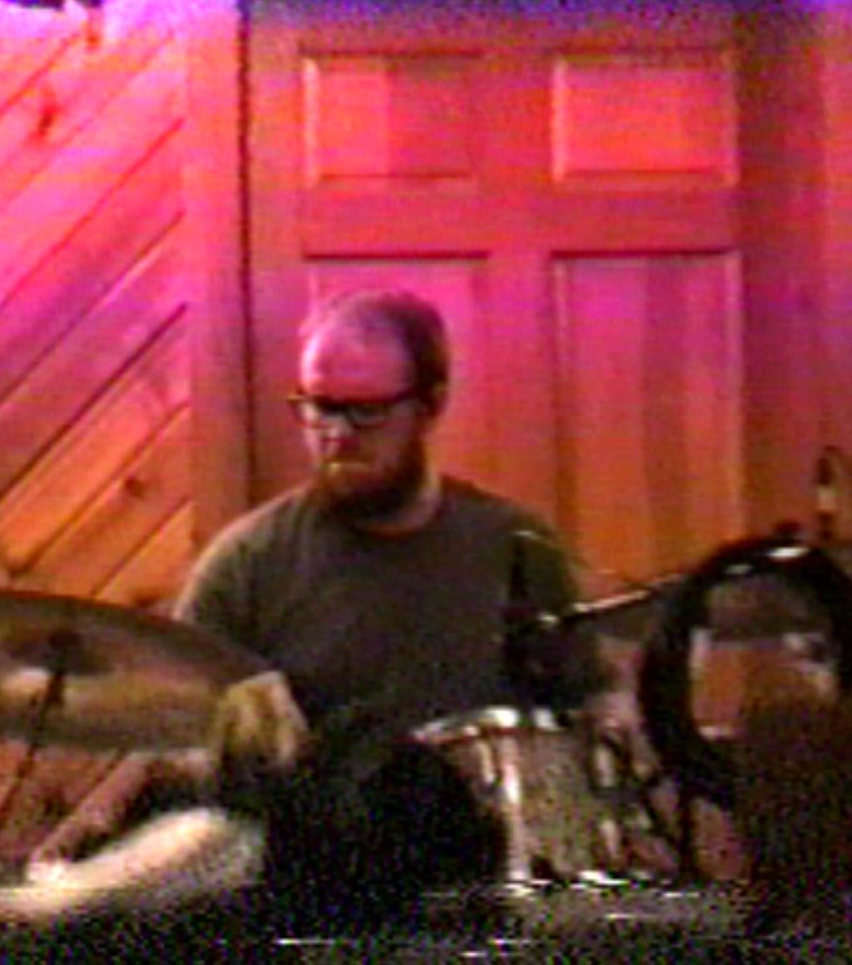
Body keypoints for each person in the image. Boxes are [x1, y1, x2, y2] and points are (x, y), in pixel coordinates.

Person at [168, 289, 605, 930]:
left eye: (367, 412)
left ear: (430, 405)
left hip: (488, 901)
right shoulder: (247, 564)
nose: (337, 434)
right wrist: (226, 738)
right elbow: (172, 735)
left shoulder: (518, 549)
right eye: (319, 407)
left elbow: (588, 722)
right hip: (312, 908)